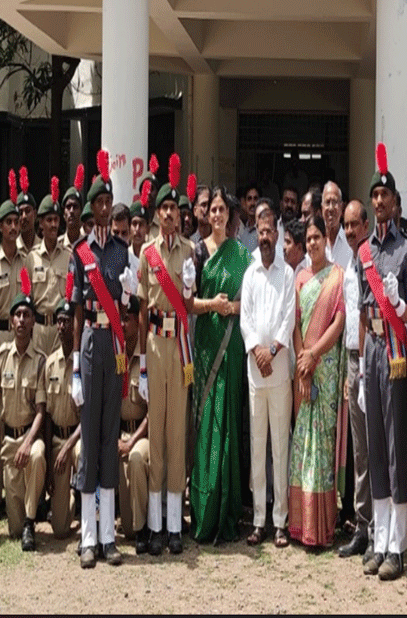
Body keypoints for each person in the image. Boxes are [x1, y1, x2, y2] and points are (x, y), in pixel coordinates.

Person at [358, 144, 407, 583]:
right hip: (373, 348)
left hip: (397, 350)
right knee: (376, 444)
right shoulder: (365, 252)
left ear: (395, 203)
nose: (379, 202)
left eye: (385, 197)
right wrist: (360, 366)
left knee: (397, 446)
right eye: (374, 196)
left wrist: (398, 303)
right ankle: (378, 539)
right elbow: (362, 311)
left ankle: (397, 543)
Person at [71, 153, 132, 567]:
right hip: (92, 341)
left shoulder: (122, 251)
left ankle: (109, 536)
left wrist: (128, 291)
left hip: (116, 345)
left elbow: (126, 307)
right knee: (90, 437)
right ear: (91, 210)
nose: (105, 208)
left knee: (111, 435)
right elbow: (76, 310)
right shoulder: (81, 253)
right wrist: (75, 364)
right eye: (99, 203)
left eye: (109, 201)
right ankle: (88, 538)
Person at [137, 157, 197, 555]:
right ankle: (156, 524)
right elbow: (141, 311)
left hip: (180, 348)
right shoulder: (146, 253)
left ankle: (175, 524)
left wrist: (191, 288)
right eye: (165, 208)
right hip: (156, 345)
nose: (171, 214)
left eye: (175, 208)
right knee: (155, 432)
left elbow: (189, 303)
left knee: (176, 431)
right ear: (158, 214)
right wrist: (140, 364)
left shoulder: (191, 250)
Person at [190, 185, 252, 544]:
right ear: (206, 214)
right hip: (205, 347)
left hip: (231, 348)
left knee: (227, 423)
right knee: (205, 424)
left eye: (221, 210)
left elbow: (252, 303)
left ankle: (227, 509)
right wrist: (212, 304)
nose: (216, 215)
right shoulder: (197, 253)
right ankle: (203, 511)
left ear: (229, 216)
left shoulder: (242, 256)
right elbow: (188, 304)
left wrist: (232, 308)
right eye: (211, 210)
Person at [240, 198, 296, 547]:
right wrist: (256, 350)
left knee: (280, 445)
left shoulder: (287, 273)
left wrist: (272, 350)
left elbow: (288, 318)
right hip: (255, 373)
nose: (264, 236)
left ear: (277, 234)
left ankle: (281, 521)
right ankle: (259, 519)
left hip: (279, 373)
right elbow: (245, 318)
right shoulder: (250, 274)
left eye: (269, 231)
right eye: (259, 231)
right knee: (257, 445)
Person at [288, 214, 345, 548]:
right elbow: (295, 322)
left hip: (324, 366)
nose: (312, 244)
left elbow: (338, 322)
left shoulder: (337, 277)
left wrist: (313, 356)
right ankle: (300, 524)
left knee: (321, 446)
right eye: (307, 239)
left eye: (317, 238)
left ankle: (321, 526)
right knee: (302, 446)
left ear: (327, 240)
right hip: (304, 368)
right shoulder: (300, 278)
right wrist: (301, 361)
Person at [0, 269, 47, 552]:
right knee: (12, 527)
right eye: (17, 315)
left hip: (29, 439)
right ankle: (25, 519)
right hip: (9, 443)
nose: (22, 320)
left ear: (33, 322)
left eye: (27, 315)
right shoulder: (0, 358)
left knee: (36, 455)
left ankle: (32, 523)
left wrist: (29, 442)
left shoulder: (41, 361)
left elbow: (41, 411)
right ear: (11, 322)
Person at [0, 189, 31, 523]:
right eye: (9, 222)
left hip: (23, 339)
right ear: (0, 227)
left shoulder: (28, 261)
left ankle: (25, 490)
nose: (14, 227)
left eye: (17, 221)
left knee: (21, 412)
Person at [337, 199, 373, 562]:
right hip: (352, 359)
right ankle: (363, 526)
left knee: (374, 447)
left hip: (367, 360)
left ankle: (379, 528)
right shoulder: (351, 259)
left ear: (366, 225)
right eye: (345, 226)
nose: (349, 231)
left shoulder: (369, 260)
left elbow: (365, 316)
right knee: (361, 449)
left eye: (353, 225)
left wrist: (362, 367)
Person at [43, 299, 80, 540]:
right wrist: (48, 462)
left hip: (77, 440)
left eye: (67, 321)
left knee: (83, 454)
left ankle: (83, 496)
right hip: (56, 439)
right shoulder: (49, 364)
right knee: (59, 529)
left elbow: (87, 415)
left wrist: (68, 447)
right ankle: (71, 498)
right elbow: (46, 416)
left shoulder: (81, 364)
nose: (62, 326)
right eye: (59, 321)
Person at [116, 300, 151, 550]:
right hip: (121, 432)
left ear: (139, 320)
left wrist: (131, 442)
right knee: (124, 530)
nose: (123, 323)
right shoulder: (117, 355)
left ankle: (142, 530)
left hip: (143, 435)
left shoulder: (147, 356)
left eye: (128, 318)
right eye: (121, 318)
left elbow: (153, 412)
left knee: (137, 458)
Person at [31, 180, 72, 358]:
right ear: (41, 223)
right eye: (49, 220)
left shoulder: (68, 256)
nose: (54, 224)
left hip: (60, 329)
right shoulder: (30, 258)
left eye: (56, 219)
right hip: (38, 329)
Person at [15, 167, 39, 252]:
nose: (24, 216)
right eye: (20, 212)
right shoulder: (12, 249)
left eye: (28, 211)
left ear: (35, 214)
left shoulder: (44, 247)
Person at [237, 184, 261, 253]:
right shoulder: (243, 231)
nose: (252, 203)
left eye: (255, 199)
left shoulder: (262, 231)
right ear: (244, 203)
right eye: (249, 199)